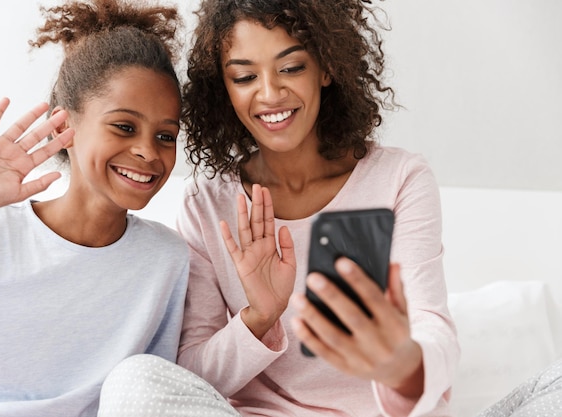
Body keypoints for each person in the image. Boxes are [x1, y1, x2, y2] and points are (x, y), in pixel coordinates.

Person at [98, 0, 459, 416]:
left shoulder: (398, 179)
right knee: (135, 379)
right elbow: (194, 377)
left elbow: (434, 326)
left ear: (327, 67)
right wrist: (259, 316)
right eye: (245, 76)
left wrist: (402, 362)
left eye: (291, 68)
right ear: (225, 88)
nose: (269, 94)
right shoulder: (208, 202)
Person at [0, 0, 189, 416]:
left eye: (166, 135)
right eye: (124, 127)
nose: (148, 151)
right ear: (64, 126)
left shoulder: (167, 259)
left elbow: (154, 390)